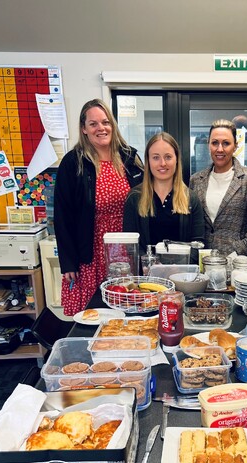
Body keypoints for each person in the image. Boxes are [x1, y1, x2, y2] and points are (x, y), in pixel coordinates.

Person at [54, 98, 143, 316]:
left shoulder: (129, 157)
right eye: (93, 124)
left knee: (128, 310)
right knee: (93, 315)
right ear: (84, 129)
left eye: (105, 122)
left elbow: (144, 201)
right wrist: (68, 262)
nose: (100, 128)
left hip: (127, 249)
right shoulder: (73, 162)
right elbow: (62, 216)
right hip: (90, 250)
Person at [123, 132, 204, 262]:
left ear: (176, 159)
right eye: (156, 157)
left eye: (168, 157)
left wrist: (175, 268)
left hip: (182, 273)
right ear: (148, 161)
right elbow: (131, 246)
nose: (162, 163)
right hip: (147, 273)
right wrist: (151, 265)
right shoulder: (134, 198)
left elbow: (198, 244)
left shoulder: (191, 199)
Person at [189, 119, 247, 257]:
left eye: (226, 143)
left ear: (235, 146)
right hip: (202, 260)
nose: (220, 149)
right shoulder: (195, 180)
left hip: (236, 261)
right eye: (215, 143)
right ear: (208, 144)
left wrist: (239, 251)